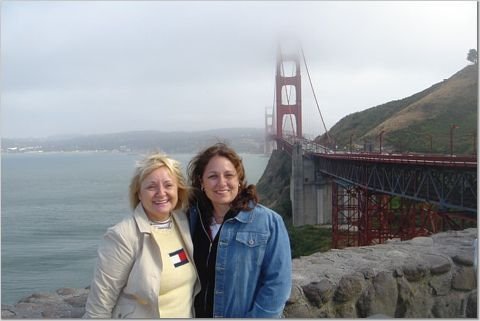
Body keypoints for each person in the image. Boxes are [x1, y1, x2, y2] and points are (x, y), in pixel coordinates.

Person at [84, 153, 200, 318]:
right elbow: (99, 306)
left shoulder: (183, 222)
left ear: (178, 189)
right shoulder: (123, 236)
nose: (161, 193)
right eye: (151, 187)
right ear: (139, 193)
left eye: (168, 185)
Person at [187, 143, 292, 318]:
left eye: (229, 175)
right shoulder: (191, 219)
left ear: (239, 179)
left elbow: (278, 285)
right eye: (213, 176)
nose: (222, 183)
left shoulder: (269, 222)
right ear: (201, 182)